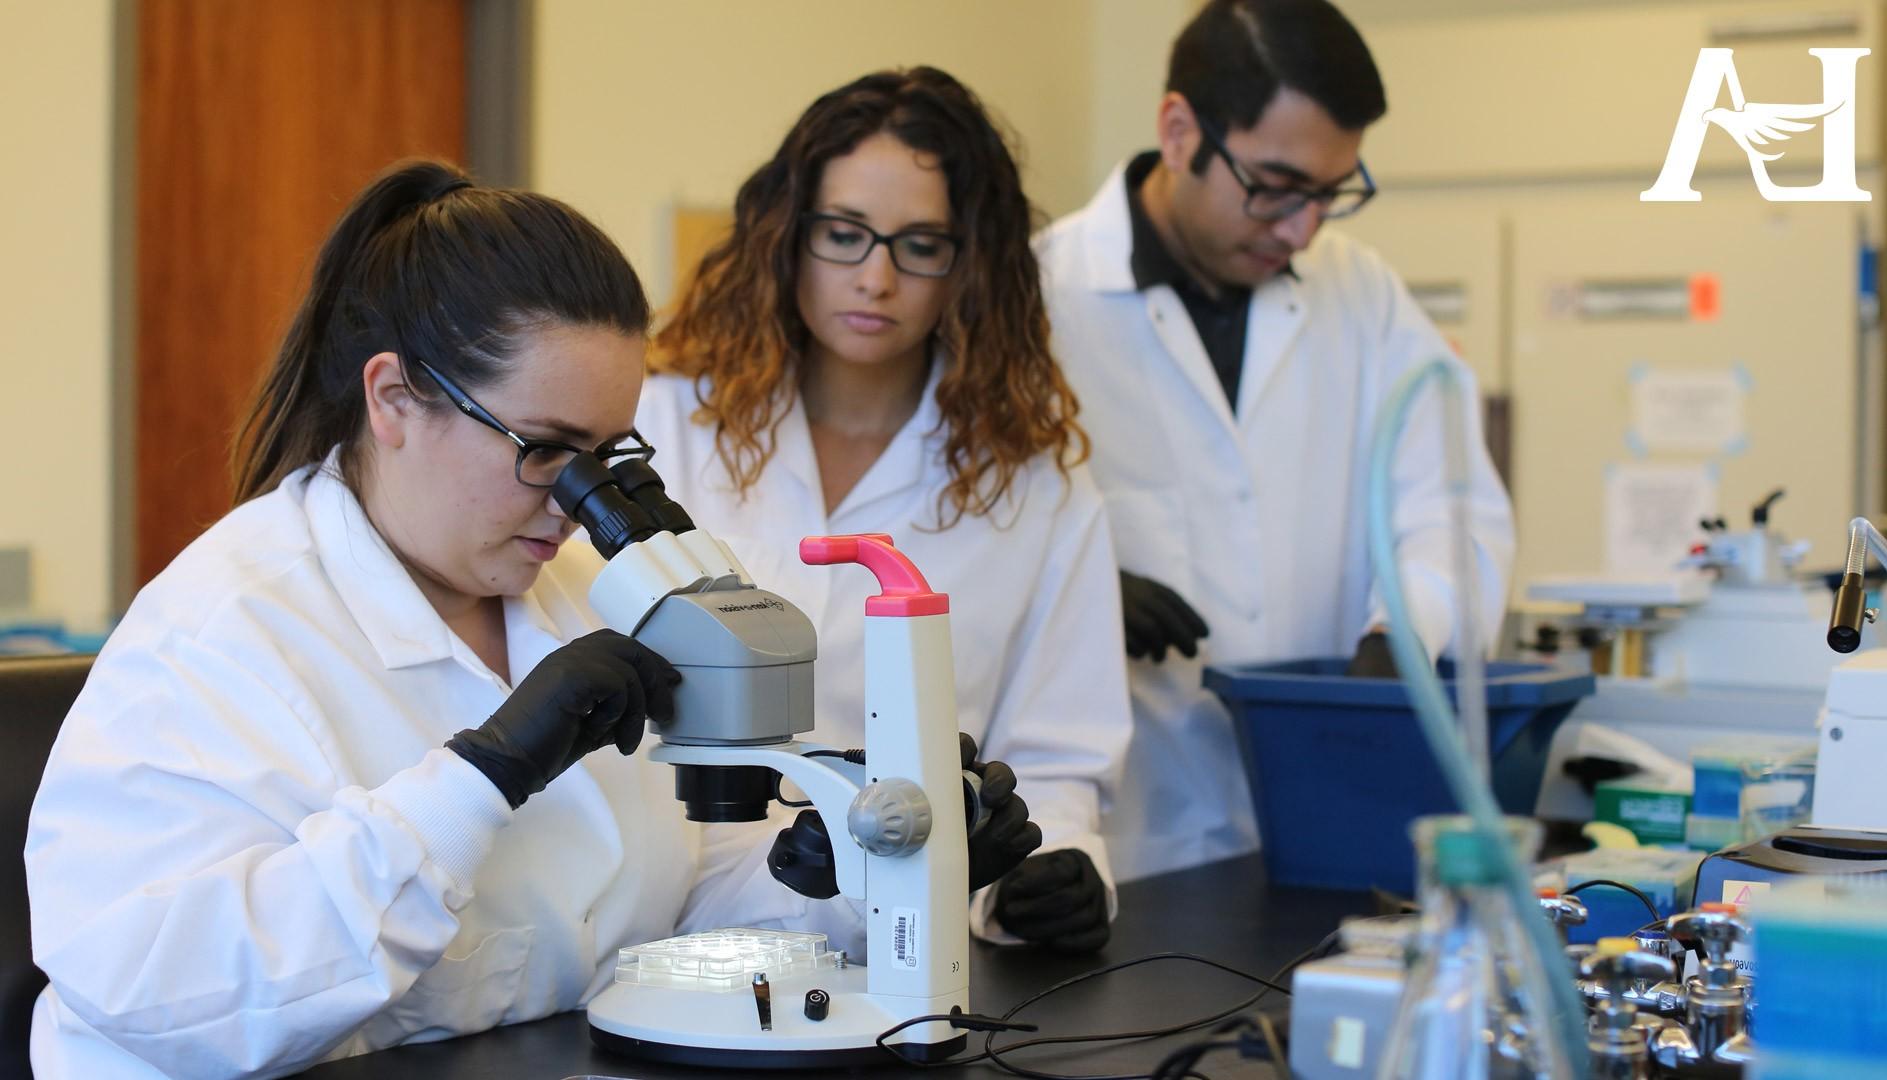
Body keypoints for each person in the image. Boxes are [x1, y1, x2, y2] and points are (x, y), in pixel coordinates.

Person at [25, 160, 1038, 1078]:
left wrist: (874, 870)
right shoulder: (221, 635)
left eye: (606, 456)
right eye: (545, 449)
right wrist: (482, 776)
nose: (575, 503)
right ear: (393, 399)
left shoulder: (567, 599)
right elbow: (158, 999)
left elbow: (653, 911)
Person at [638, 67, 1129, 952]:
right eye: (844, 233)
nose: (875, 277)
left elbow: (1058, 762)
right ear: (787, 235)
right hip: (649, 921)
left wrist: (1041, 877)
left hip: (895, 944)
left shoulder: (1036, 490)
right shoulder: (663, 422)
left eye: (920, 245)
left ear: (969, 265)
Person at [1038, 0, 1516, 882]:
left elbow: (1451, 502)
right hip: (1127, 843)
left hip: (1328, 829)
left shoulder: (1362, 295)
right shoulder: (1042, 298)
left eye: (1330, 193)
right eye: (1274, 186)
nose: (1304, 229)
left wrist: (1403, 637)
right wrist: (1070, 586)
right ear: (1179, 130)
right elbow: (965, 538)